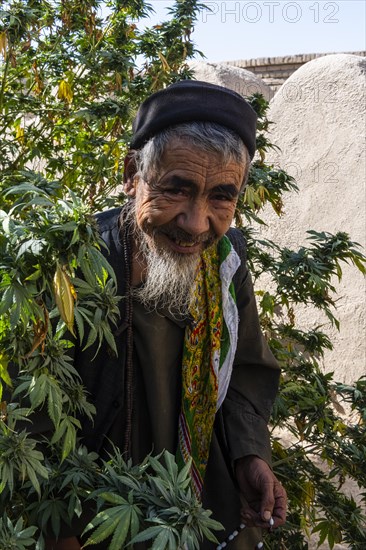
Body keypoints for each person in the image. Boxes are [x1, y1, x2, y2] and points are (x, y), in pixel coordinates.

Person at [45, 80, 287, 549]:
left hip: (199, 500)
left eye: (221, 196)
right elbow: (27, 414)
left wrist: (249, 456)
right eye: (176, 190)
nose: (197, 222)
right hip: (93, 512)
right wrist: (58, 527)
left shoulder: (226, 260)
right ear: (133, 174)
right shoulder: (72, 265)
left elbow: (245, 372)